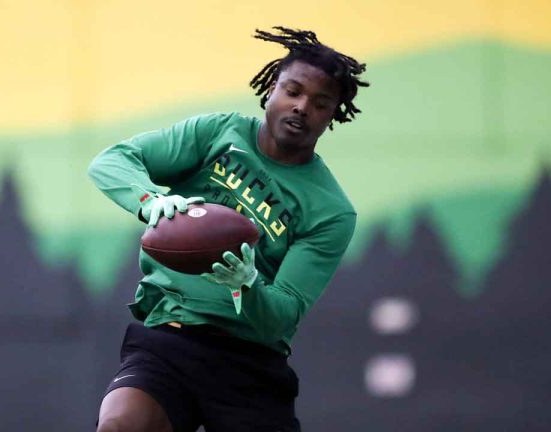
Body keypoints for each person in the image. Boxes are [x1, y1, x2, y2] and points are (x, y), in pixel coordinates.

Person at [88, 26, 369, 432]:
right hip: (172, 333)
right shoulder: (219, 132)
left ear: (332, 116)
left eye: (321, 103)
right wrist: (150, 201)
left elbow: (283, 314)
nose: (302, 107)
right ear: (271, 89)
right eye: (293, 91)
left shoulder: (332, 211)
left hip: (249, 363)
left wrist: (249, 284)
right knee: (120, 426)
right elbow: (111, 161)